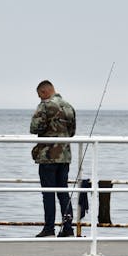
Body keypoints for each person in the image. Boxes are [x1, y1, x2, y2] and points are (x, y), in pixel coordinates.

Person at [30, 80, 76, 237]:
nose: (40, 99)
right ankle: (68, 228)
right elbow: (72, 132)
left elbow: (34, 128)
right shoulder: (69, 106)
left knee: (48, 193)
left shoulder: (45, 105)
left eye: (39, 95)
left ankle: (49, 228)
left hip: (48, 156)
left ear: (44, 92)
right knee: (63, 192)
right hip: (64, 155)